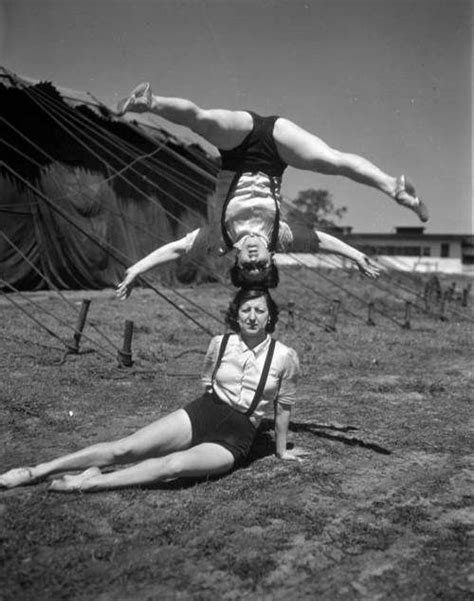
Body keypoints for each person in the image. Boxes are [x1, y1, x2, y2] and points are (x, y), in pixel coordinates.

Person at [114, 83, 423, 293]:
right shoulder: (280, 238)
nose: (253, 259)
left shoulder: (219, 239)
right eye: (260, 265)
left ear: (237, 261)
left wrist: (135, 270)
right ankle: (394, 187)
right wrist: (356, 255)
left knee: (203, 121)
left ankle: (148, 102)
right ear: (270, 259)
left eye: (248, 266)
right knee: (331, 160)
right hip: (277, 150)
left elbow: (176, 248)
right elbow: (319, 241)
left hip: (237, 149)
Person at [0, 289, 307, 492]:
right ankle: (36, 470)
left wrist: (280, 450)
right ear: (236, 314)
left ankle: (90, 483)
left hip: (235, 436)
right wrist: (208, 404)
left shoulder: (285, 357)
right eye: (246, 310)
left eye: (259, 310)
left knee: (170, 467)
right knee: (125, 448)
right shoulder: (220, 343)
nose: (252, 316)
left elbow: (283, 407)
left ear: (270, 316)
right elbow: (207, 378)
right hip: (204, 411)